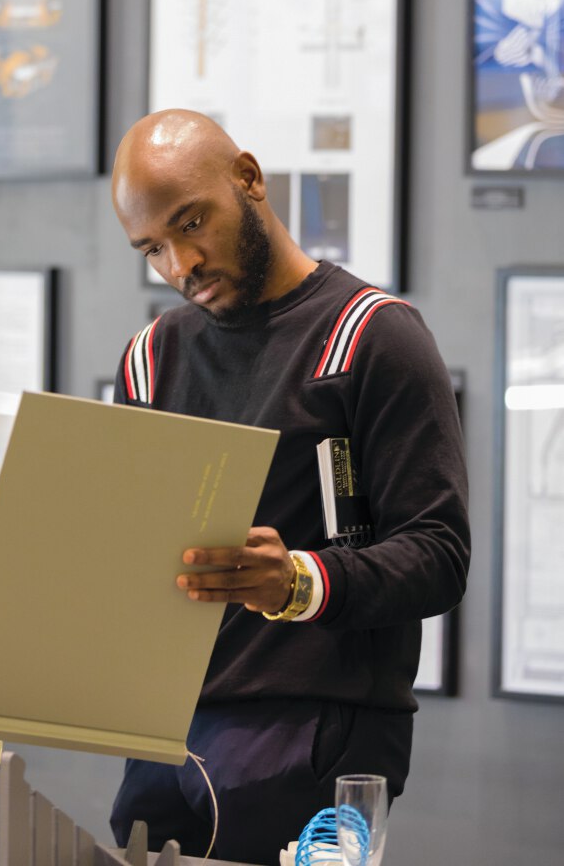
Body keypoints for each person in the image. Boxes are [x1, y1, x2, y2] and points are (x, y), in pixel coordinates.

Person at [108, 109, 470, 865]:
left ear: (247, 178)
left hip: (314, 736)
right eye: (152, 249)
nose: (180, 264)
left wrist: (299, 580)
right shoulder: (148, 359)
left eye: (190, 222)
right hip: (162, 741)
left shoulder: (373, 336)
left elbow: (438, 554)